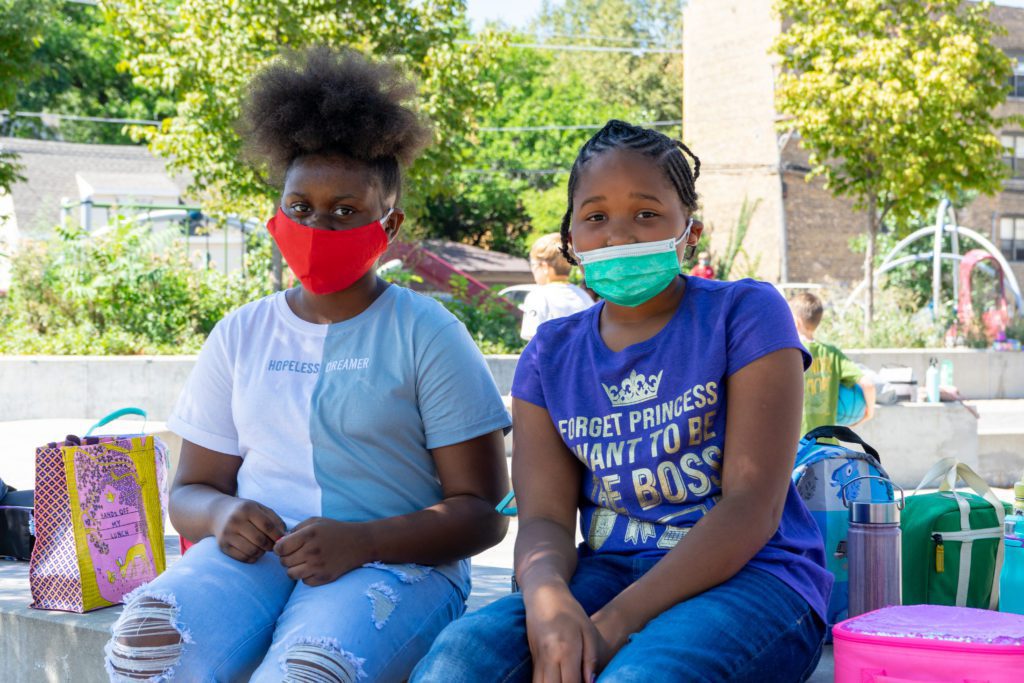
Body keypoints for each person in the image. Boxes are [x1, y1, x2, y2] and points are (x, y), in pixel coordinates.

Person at [103, 47, 511, 683]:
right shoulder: (241, 332)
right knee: (145, 647)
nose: (318, 225)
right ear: (278, 210)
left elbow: (482, 513)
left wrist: (365, 542)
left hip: (395, 567)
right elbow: (189, 491)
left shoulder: (428, 333)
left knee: (307, 672)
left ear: (389, 224)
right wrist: (220, 516)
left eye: (346, 211)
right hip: (252, 562)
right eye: (301, 207)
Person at [413, 120, 832, 683]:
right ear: (571, 240)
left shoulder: (745, 314)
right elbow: (543, 520)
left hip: (754, 578)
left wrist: (615, 623)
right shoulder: (550, 354)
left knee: (640, 675)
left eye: (646, 214)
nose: (618, 235)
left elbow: (751, 508)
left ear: (691, 232)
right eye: (595, 217)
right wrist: (549, 605)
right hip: (606, 572)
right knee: (459, 659)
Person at [789, 292, 876, 434]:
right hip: (827, 443)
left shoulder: (791, 353)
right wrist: (869, 413)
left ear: (795, 321)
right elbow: (868, 384)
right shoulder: (832, 354)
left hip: (799, 445)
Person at [521, 232, 595, 340]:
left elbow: (533, 342)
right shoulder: (583, 296)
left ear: (545, 267)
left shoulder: (537, 297)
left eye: (533, 265)